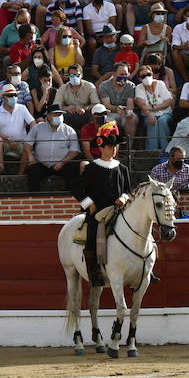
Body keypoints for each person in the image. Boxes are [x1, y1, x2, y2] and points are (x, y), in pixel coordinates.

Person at [68, 121, 133, 287]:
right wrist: (89, 203)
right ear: (101, 147)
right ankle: (94, 273)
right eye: (111, 146)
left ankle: (143, 267)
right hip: (98, 213)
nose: (114, 149)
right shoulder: (92, 168)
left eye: (116, 146)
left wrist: (124, 198)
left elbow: (128, 190)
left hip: (120, 211)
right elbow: (75, 186)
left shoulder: (122, 168)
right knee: (91, 234)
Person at [23, 107, 80, 193]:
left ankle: (70, 198)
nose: (58, 117)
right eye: (55, 114)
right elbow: (27, 143)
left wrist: (62, 162)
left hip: (62, 164)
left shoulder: (69, 130)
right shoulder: (38, 128)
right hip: (42, 164)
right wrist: (31, 157)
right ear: (48, 116)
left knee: (72, 168)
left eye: (60, 115)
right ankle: (34, 199)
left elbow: (74, 150)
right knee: (32, 170)